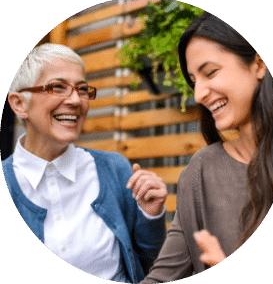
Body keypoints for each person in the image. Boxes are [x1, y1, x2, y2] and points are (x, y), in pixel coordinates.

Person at [2, 43, 167, 283]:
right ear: (19, 104)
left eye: (82, 89)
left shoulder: (115, 169)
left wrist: (151, 215)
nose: (76, 100)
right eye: (58, 87)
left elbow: (151, 264)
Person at [141, 11, 273, 283]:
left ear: (259, 62)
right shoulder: (202, 171)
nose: (198, 95)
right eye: (194, 81)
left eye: (211, 72)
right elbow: (162, 277)